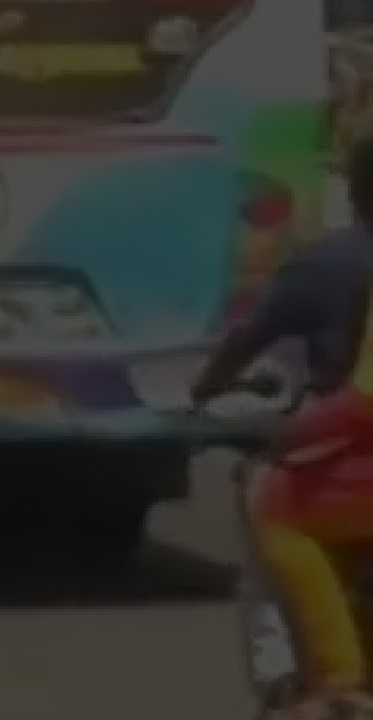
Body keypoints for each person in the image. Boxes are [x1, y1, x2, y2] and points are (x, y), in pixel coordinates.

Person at [191, 131, 373, 711]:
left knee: (267, 509)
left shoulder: (328, 259)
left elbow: (252, 335)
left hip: (343, 448)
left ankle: (295, 676)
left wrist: (209, 387)